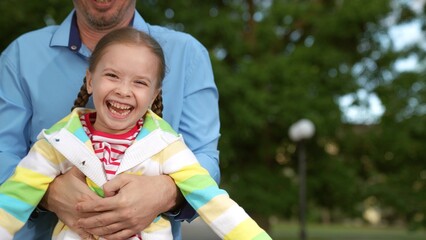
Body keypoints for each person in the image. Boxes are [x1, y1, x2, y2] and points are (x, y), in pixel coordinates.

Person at [0, 27, 271, 240]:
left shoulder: (166, 147)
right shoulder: (57, 142)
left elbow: (214, 202)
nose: (123, 90)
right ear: (90, 80)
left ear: (154, 95)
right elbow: (12, 199)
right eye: (112, 76)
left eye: (139, 82)